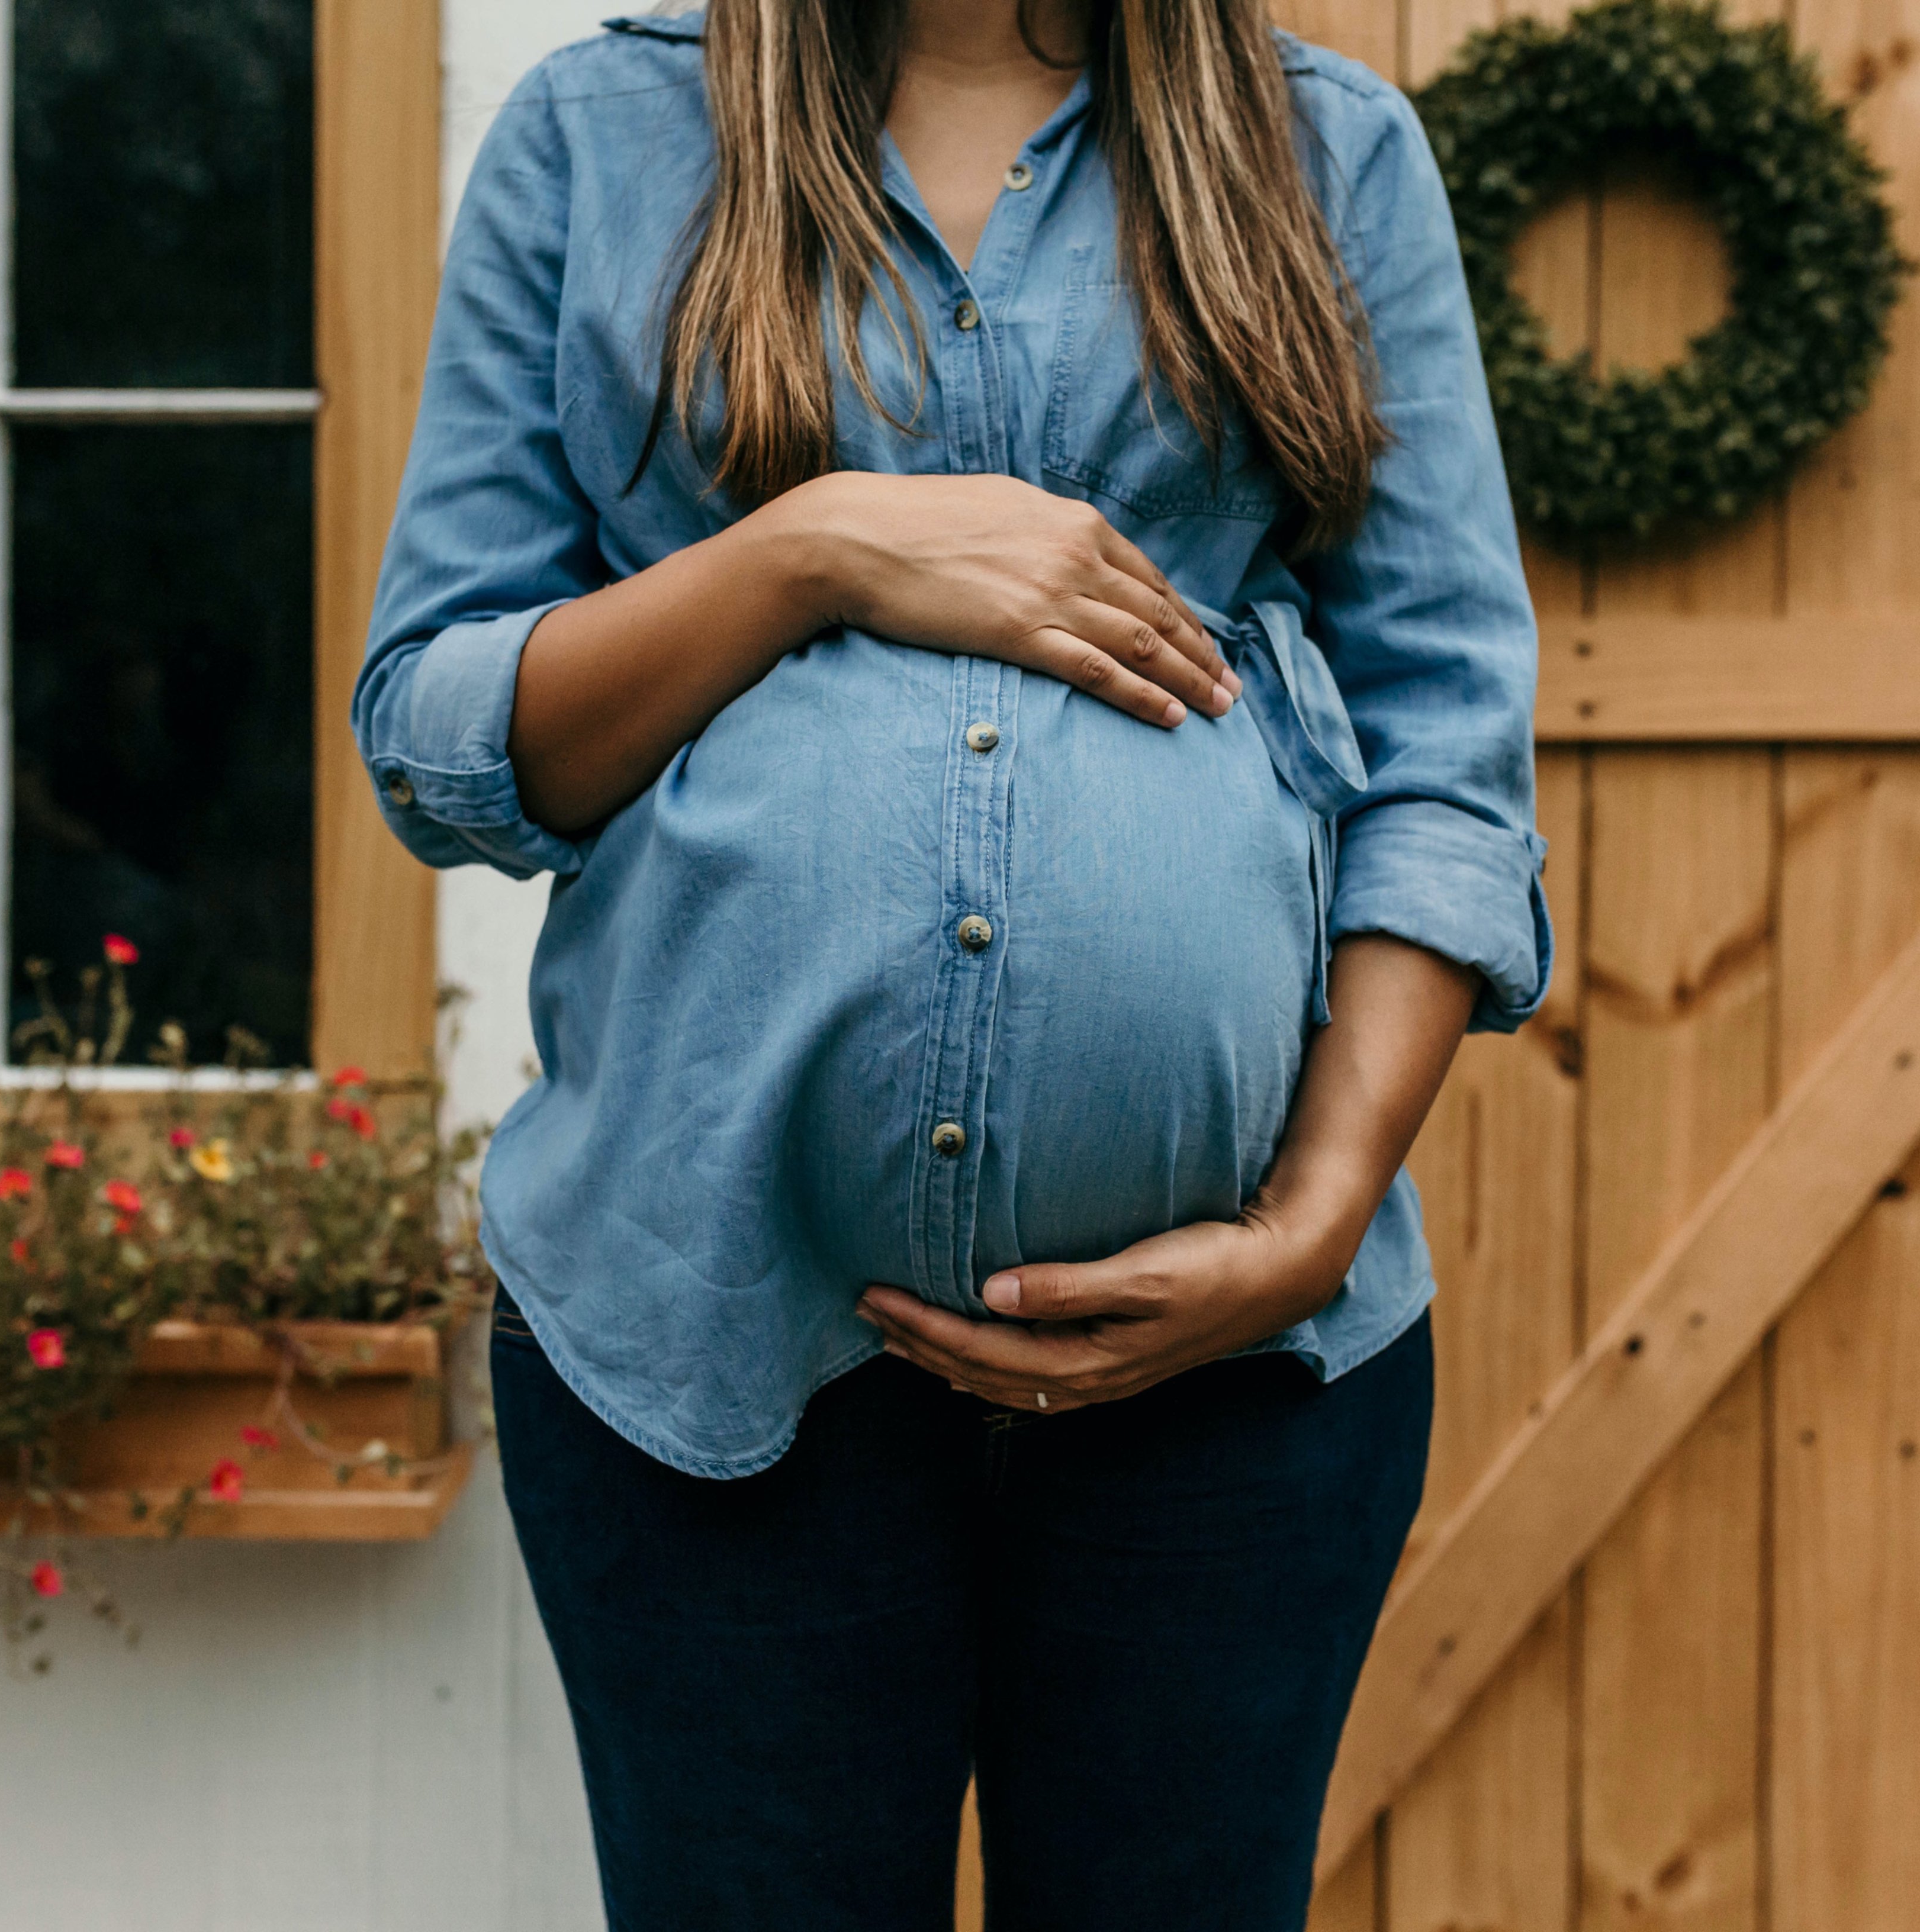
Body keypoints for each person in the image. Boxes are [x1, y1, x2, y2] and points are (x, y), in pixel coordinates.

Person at [355, 2, 1549, 1925]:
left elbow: (1448, 750)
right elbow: (442, 737)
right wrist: (811, 550)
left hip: (1233, 1388)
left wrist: (1316, 1221)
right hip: (704, 1344)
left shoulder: (1328, 151)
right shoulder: (600, 137)